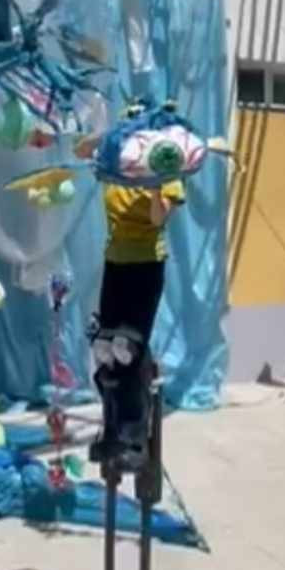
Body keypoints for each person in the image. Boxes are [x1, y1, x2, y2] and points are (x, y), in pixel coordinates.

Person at [94, 177, 185, 443]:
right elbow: (86, 155)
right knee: (105, 347)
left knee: (127, 346)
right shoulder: (115, 166)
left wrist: (155, 188)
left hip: (146, 263)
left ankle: (134, 431)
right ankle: (112, 423)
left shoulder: (166, 171)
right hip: (115, 262)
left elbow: (158, 219)